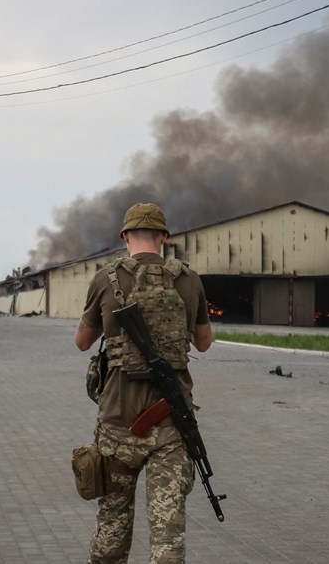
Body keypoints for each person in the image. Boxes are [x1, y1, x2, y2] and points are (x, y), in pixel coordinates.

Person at [75, 202, 213, 564]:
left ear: (125, 237)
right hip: (171, 423)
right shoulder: (189, 279)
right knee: (167, 533)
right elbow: (203, 343)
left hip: (117, 423)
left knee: (113, 520)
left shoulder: (105, 278)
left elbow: (82, 342)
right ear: (164, 237)